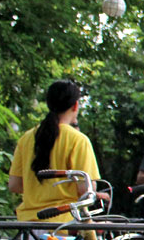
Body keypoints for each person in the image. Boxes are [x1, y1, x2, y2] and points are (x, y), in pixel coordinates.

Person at [7, 80, 100, 226]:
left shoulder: (27, 138)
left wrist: (41, 191)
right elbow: (86, 189)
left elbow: (14, 185)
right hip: (65, 224)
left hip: (29, 225)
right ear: (75, 105)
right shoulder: (78, 140)